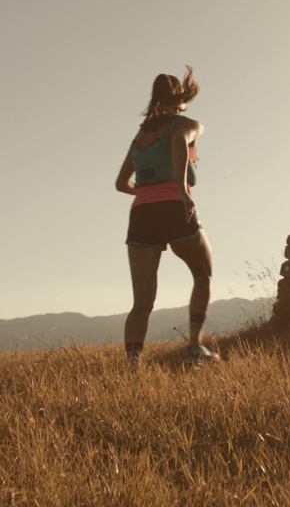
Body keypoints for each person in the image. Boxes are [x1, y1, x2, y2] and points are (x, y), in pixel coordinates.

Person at [115, 66, 220, 366]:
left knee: (142, 301)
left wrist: (147, 195)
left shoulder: (141, 137)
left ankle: (133, 365)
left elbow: (121, 183)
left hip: (141, 216)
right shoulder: (187, 124)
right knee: (203, 273)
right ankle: (195, 347)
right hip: (175, 207)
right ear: (181, 97)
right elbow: (178, 142)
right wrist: (180, 191)